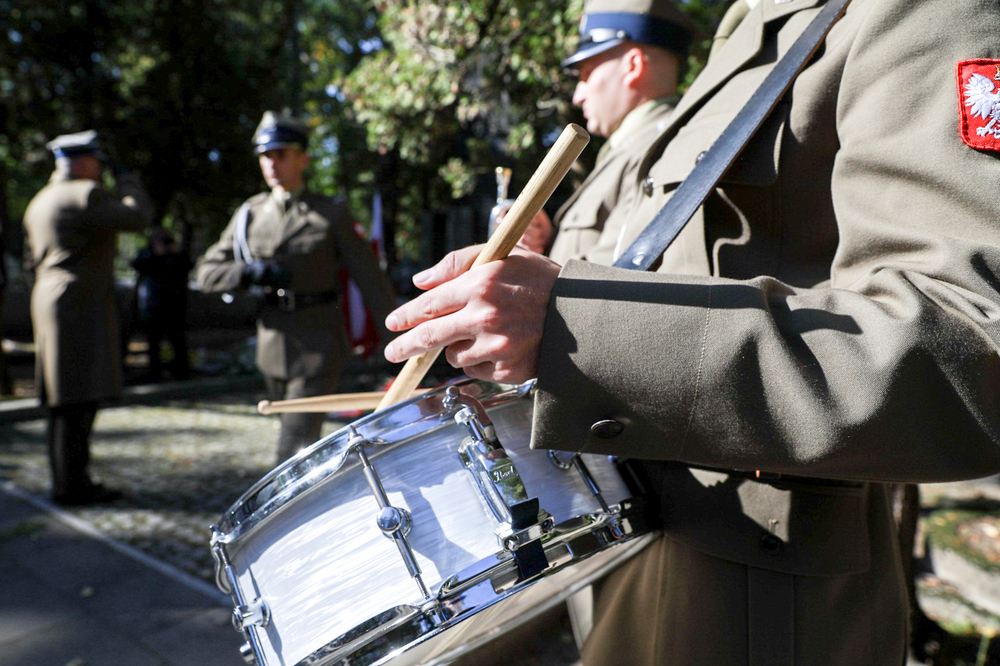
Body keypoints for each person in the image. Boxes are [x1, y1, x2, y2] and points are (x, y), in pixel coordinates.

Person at [381, 0, 1000, 664]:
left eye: (590, 67)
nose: (578, 86)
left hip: (762, 598)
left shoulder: (916, 11)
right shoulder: (747, 26)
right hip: (639, 535)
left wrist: (573, 329)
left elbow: (968, 356)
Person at [197, 111, 396, 463]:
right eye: (265, 156)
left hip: (318, 342)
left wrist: (396, 340)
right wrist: (248, 273)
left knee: (292, 448)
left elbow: (370, 279)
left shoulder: (329, 214)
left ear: (302, 159)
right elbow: (206, 272)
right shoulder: (249, 214)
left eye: (281, 154)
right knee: (298, 442)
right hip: (272, 343)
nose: (271, 164)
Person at [23, 130, 151, 505]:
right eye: (98, 162)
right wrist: (128, 181)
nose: (101, 170)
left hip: (49, 298)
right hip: (78, 303)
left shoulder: (40, 199)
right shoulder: (85, 194)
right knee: (79, 398)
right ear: (81, 162)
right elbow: (137, 217)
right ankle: (73, 486)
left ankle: (66, 480)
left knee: (62, 400)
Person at [547, 0, 694, 266]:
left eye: (586, 74)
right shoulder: (632, 146)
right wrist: (545, 243)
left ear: (633, 66)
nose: (578, 96)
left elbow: (614, 275)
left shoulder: (658, 150)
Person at [132, 227, 193, 381]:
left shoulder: (176, 254)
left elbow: (188, 266)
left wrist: (175, 253)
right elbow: (138, 265)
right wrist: (155, 255)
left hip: (175, 304)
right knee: (154, 341)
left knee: (177, 339)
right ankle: (154, 373)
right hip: (153, 304)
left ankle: (181, 371)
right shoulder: (148, 253)